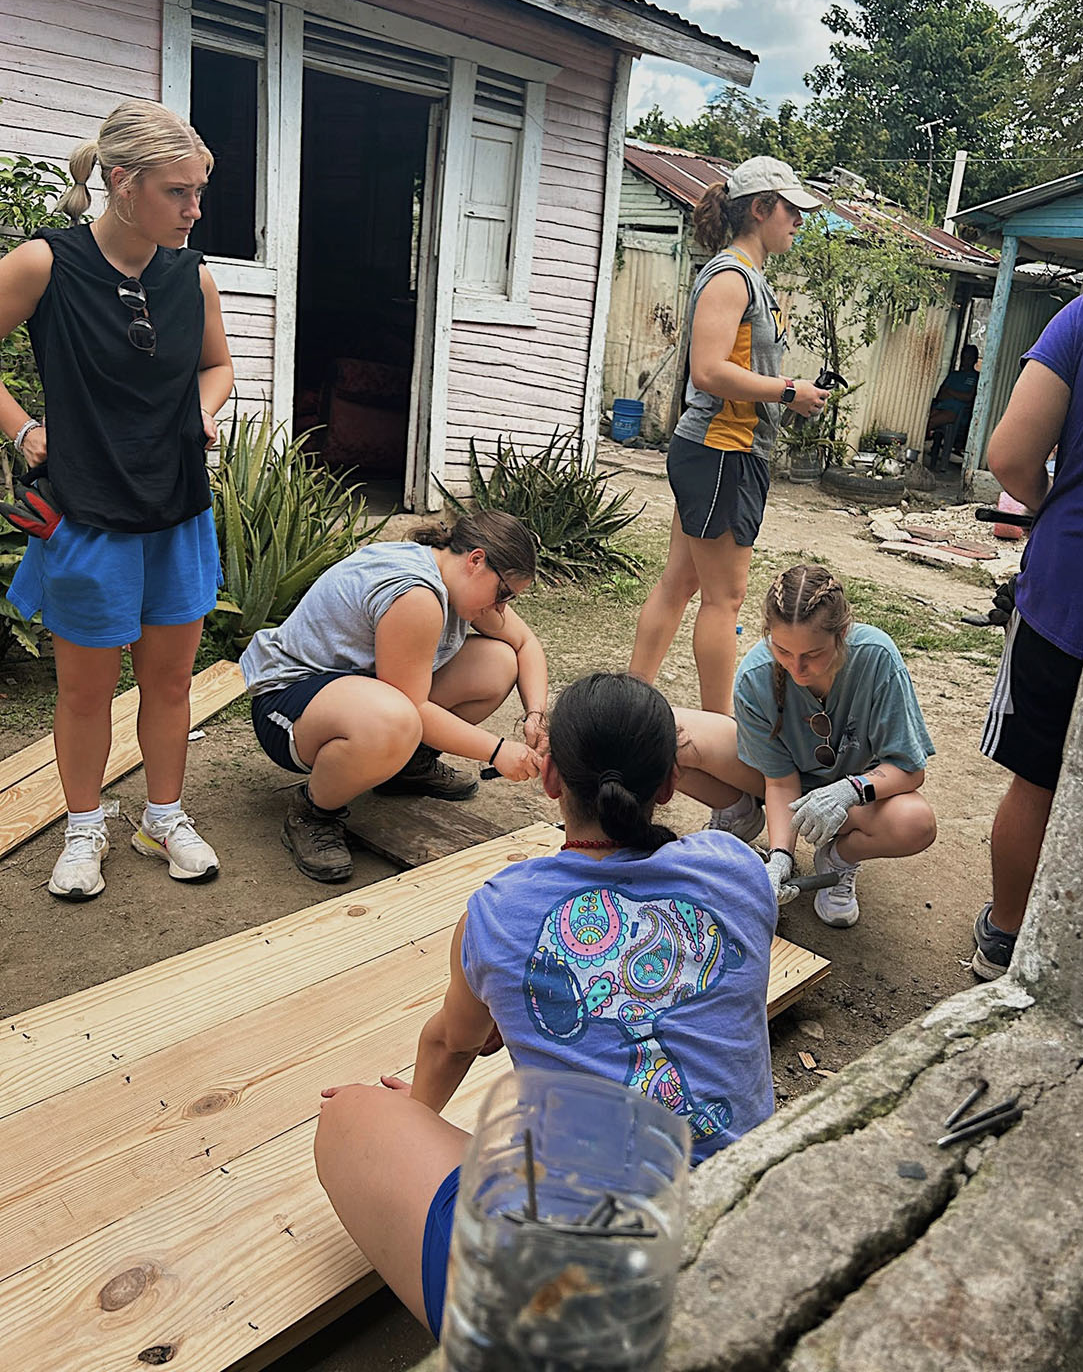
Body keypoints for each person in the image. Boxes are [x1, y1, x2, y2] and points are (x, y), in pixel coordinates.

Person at [313, 671, 776, 1339]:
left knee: (350, 1118)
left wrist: (410, 1117)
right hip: (738, 1218)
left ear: (551, 776)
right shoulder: (737, 868)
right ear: (671, 784)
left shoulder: (501, 912)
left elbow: (452, 1042)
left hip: (573, 1302)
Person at [0, 100, 234, 901]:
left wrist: (205, 411)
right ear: (124, 184)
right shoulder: (44, 263)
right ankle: (83, 828)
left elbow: (216, 367)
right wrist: (24, 428)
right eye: (179, 192)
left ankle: (161, 817)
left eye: (199, 190)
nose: (195, 209)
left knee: (171, 684)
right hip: (85, 514)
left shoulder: (190, 273)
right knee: (85, 690)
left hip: (177, 510)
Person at [973, 277, 1083, 979]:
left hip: (1069, 589)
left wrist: (1058, 504)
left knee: (1036, 779)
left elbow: (1012, 457)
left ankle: (1007, 938)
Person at [240, 511, 547, 882]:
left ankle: (405, 767)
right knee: (396, 720)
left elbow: (526, 643)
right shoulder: (416, 595)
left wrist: (536, 715)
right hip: (287, 704)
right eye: (503, 594)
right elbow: (413, 707)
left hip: (358, 699)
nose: (501, 607)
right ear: (476, 560)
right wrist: (499, 752)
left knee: (498, 662)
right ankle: (313, 811)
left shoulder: (455, 580)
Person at [628, 156, 830, 722]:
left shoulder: (748, 277)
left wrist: (784, 393)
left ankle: (628, 700)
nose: (798, 221)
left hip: (720, 450)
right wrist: (788, 391)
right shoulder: (730, 276)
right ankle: (721, 726)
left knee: (681, 582)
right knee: (726, 599)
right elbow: (708, 370)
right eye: (791, 210)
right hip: (722, 450)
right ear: (760, 209)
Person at [674, 564, 937, 928]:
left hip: (854, 794)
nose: (797, 669)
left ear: (842, 633)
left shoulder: (877, 657)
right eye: (783, 650)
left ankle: (838, 858)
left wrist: (851, 790)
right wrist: (782, 855)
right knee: (661, 733)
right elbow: (780, 782)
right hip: (776, 782)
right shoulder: (756, 674)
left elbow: (910, 767)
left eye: (812, 654)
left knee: (916, 823)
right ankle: (738, 812)